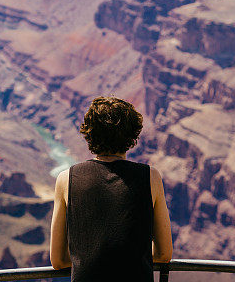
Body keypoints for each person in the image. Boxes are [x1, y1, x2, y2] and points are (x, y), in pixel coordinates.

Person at [50, 96, 173, 281]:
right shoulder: (150, 177)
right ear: (132, 136)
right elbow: (164, 254)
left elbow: (58, 261)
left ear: (89, 133)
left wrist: (88, 258)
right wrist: (129, 258)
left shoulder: (66, 179)